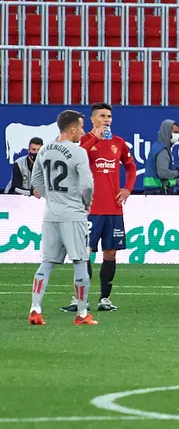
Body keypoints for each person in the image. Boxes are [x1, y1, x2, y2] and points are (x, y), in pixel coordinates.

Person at [60, 103, 136, 313]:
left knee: (110, 253)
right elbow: (75, 158)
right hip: (89, 210)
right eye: (102, 116)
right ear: (93, 120)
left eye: (109, 116)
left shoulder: (119, 143)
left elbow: (131, 167)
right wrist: (96, 139)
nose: (107, 119)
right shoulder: (83, 142)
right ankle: (79, 299)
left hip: (113, 209)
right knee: (84, 253)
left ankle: (104, 299)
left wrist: (128, 189)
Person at [28, 110, 98, 326]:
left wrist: (51, 197)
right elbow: (87, 185)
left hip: (51, 214)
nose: (84, 132)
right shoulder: (78, 153)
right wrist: (85, 204)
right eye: (82, 127)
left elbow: (36, 179)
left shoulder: (45, 149)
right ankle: (82, 312)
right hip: (73, 214)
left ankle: (35, 308)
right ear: (73, 129)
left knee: (46, 263)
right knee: (80, 261)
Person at [143, 119, 179, 195]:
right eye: (175, 132)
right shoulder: (162, 151)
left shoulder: (159, 147)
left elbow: (168, 178)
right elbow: (163, 173)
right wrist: (177, 173)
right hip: (158, 193)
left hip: (156, 192)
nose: (177, 135)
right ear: (167, 132)